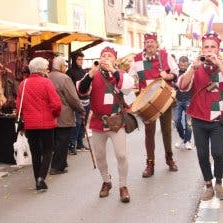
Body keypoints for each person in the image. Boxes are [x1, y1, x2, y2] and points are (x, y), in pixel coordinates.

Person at [177, 31, 223, 201]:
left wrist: (219, 64)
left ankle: (219, 182)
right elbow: (182, 86)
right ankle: (208, 185)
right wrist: (192, 67)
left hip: (218, 118)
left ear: (218, 50)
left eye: (213, 47)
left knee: (218, 153)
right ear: (201, 49)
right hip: (198, 118)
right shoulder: (195, 67)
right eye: (206, 47)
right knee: (202, 154)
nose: (209, 50)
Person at [77, 47, 134, 203]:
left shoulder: (121, 75)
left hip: (116, 122)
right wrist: (90, 74)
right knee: (100, 156)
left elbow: (127, 89)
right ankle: (106, 181)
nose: (106, 58)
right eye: (103, 56)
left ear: (114, 59)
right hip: (98, 122)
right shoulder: (92, 75)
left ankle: (123, 186)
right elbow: (82, 91)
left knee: (121, 155)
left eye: (109, 56)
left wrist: (114, 71)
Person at [129, 32, 179, 178]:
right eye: (147, 42)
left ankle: (169, 158)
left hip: (164, 98)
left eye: (152, 42)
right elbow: (131, 79)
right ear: (144, 45)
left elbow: (175, 73)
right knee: (149, 133)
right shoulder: (137, 59)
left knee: (167, 131)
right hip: (146, 102)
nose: (149, 44)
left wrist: (167, 76)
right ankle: (150, 163)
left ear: (157, 43)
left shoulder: (165, 55)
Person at [16, 57, 61, 192]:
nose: (48, 70)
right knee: (48, 150)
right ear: (41, 69)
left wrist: (22, 120)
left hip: (30, 123)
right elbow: (56, 104)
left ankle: (37, 180)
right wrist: (55, 114)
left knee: (35, 152)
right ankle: (41, 178)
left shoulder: (23, 84)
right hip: (46, 123)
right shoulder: (46, 83)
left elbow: (19, 106)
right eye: (47, 67)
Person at [48, 56, 85, 174]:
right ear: (61, 66)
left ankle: (61, 163)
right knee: (62, 141)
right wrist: (81, 109)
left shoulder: (47, 77)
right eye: (64, 65)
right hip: (63, 114)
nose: (65, 67)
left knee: (54, 141)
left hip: (50, 114)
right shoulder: (65, 78)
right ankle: (57, 166)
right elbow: (72, 98)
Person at [66, 51, 90, 154]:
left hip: (86, 99)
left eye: (82, 59)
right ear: (74, 60)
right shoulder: (69, 72)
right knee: (77, 123)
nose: (81, 61)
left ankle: (80, 142)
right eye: (79, 59)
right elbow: (70, 88)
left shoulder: (84, 72)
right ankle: (72, 144)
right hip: (76, 100)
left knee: (83, 122)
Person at [174, 56, 193, 150]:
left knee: (188, 123)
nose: (183, 67)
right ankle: (182, 137)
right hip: (178, 100)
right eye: (181, 65)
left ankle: (188, 141)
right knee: (177, 121)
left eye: (185, 65)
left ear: (188, 64)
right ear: (178, 64)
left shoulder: (191, 73)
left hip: (189, 100)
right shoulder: (175, 73)